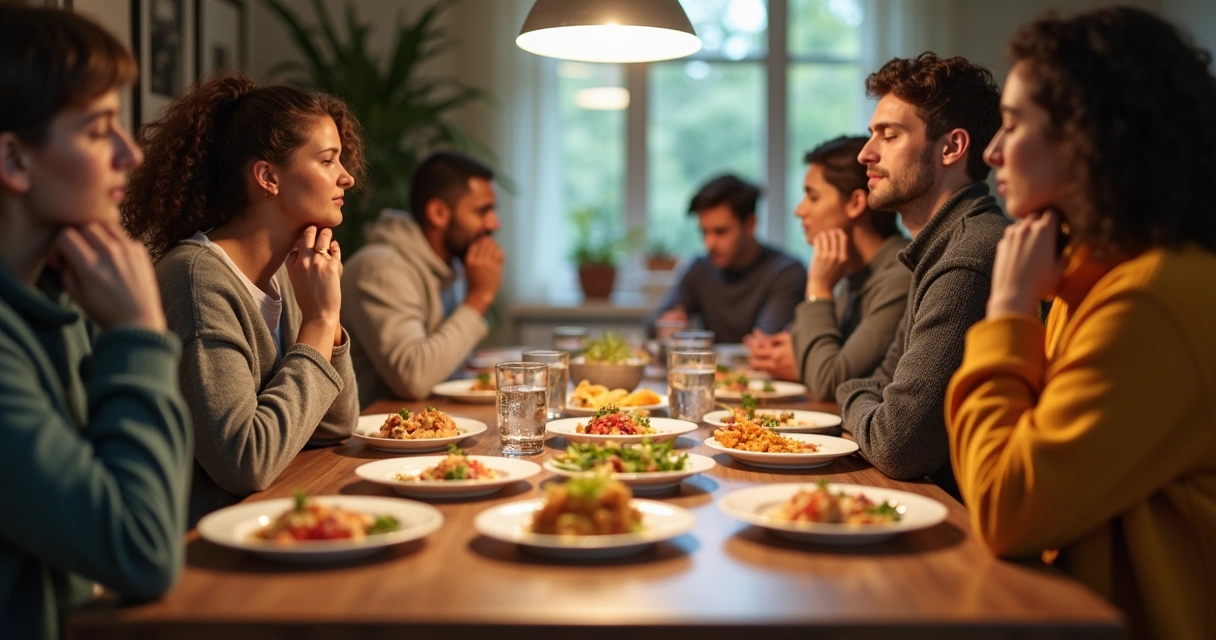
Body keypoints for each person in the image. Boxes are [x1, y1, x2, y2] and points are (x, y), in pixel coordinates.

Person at [945, 8, 1216, 639]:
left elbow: (1003, 505)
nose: (991, 151)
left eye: (1011, 125)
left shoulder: (1151, 300)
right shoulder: (1084, 280)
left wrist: (1009, 310)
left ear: (1091, 136)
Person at [0, 6, 192, 637]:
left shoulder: (65, 295)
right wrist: (137, 332)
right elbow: (141, 551)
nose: (130, 155)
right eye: (97, 131)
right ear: (15, 161)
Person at [122, 74, 361, 525]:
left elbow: (334, 424)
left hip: (260, 524)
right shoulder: (196, 280)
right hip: (198, 554)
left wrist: (324, 315)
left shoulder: (289, 275)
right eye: (328, 161)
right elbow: (245, 461)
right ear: (268, 177)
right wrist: (320, 320)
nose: (346, 176)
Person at [834, 53, 1008, 498]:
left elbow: (898, 445)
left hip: (963, 524)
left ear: (951, 148)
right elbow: (887, 381)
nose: (865, 154)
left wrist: (850, 394)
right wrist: (866, 395)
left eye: (888, 136)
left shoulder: (968, 255)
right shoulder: (939, 244)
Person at [745, 136, 910, 400]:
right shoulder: (850, 273)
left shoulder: (900, 276)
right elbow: (813, 353)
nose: (800, 211)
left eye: (813, 196)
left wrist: (818, 289)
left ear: (855, 203)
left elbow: (827, 381)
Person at [342, 151, 504, 405]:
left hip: (422, 428)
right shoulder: (382, 268)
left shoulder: (447, 265)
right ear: (438, 213)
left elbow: (443, 368)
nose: (495, 224)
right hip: (364, 438)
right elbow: (412, 379)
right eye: (483, 211)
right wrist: (479, 297)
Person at [646, 174, 805, 344]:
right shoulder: (700, 268)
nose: (709, 243)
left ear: (750, 224)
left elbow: (766, 340)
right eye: (704, 232)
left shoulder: (786, 272)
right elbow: (651, 323)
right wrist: (666, 323)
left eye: (720, 232)